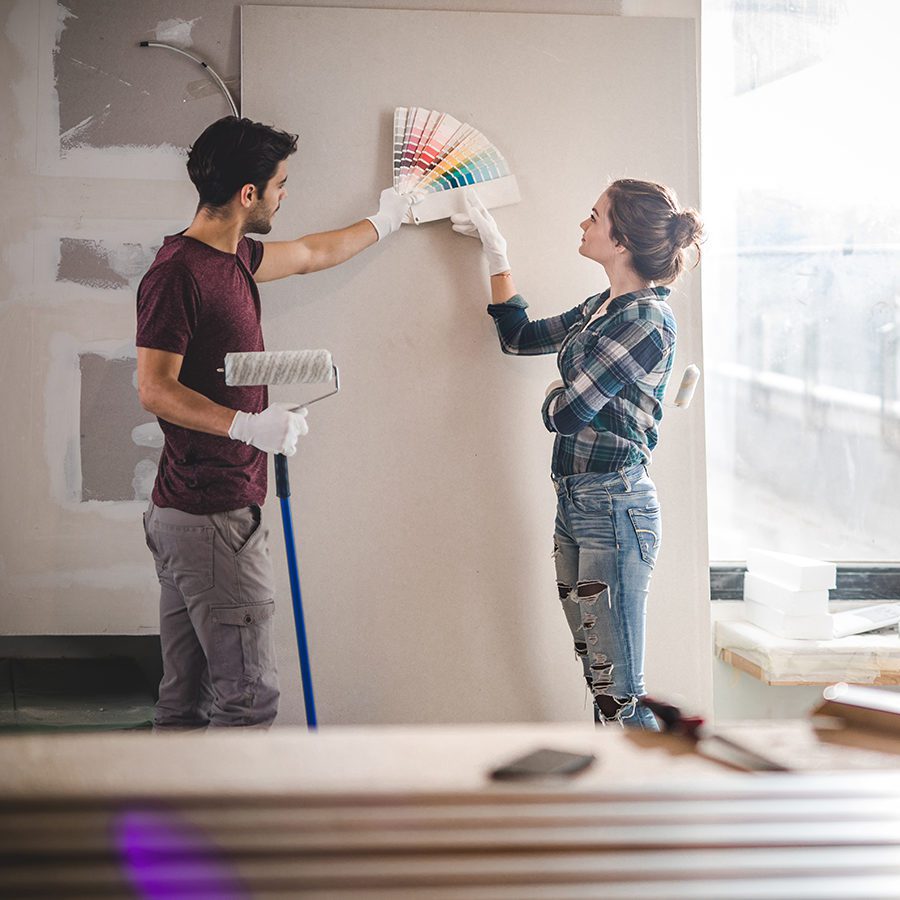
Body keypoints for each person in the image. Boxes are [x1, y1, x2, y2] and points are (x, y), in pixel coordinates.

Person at [136, 116, 416, 729]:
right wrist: (246, 427)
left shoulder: (232, 256)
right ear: (248, 195)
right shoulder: (178, 273)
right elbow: (154, 389)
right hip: (212, 517)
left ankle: (169, 824)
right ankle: (237, 827)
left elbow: (314, 253)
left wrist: (389, 216)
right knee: (247, 701)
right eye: (280, 184)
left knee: (186, 701)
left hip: (192, 513)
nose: (285, 194)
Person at [451, 180, 703, 729]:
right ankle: (617, 806)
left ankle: (647, 806)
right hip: (576, 504)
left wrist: (552, 399)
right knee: (600, 680)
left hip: (614, 508)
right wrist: (497, 254)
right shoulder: (602, 306)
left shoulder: (645, 321)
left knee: (620, 693)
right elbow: (517, 338)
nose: (583, 225)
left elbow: (568, 414)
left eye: (594, 217)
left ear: (622, 240)